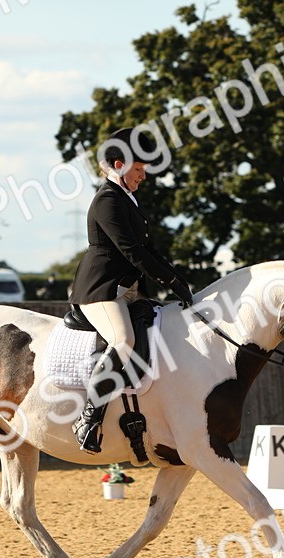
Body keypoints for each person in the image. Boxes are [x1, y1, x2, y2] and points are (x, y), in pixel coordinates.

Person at [69, 127, 194, 454]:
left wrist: (176, 277)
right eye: (138, 170)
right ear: (118, 165)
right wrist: (170, 282)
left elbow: (149, 249)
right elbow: (132, 251)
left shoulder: (129, 199)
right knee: (123, 340)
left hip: (129, 289)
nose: (143, 176)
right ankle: (88, 416)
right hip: (101, 289)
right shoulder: (107, 201)